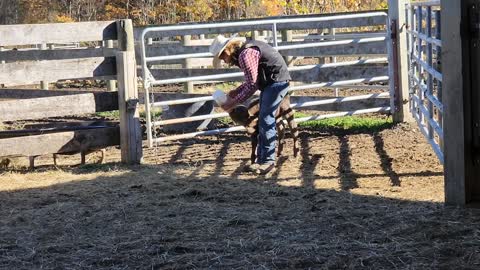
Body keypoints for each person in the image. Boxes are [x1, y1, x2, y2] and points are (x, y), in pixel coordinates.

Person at [209, 34, 291, 175]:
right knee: (264, 120)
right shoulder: (246, 50)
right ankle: (261, 159)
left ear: (227, 51)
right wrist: (237, 91)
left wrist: (233, 102)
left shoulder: (245, 55)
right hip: (274, 81)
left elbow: (252, 85)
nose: (223, 60)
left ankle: (267, 161)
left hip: (275, 82)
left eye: (222, 56)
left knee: (266, 119)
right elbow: (251, 81)